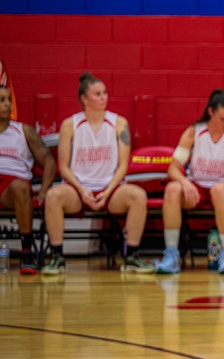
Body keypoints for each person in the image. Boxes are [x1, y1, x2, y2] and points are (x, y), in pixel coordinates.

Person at [43, 73, 154, 275]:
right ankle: (57, 257)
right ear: (84, 99)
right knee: (53, 196)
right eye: (97, 94)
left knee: (138, 196)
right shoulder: (70, 125)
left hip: (109, 188)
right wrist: (82, 189)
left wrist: (108, 190)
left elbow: (123, 166)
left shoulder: (119, 123)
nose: (104, 97)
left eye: (105, 93)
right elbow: (64, 167)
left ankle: (131, 256)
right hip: (78, 188)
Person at [156, 89, 224, 275]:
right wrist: (185, 182)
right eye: (222, 118)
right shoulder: (194, 132)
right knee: (172, 189)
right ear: (211, 112)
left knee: (218, 190)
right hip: (198, 186)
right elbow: (173, 168)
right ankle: (171, 255)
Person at [0, 84, 56, 275]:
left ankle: (26, 253)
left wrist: (43, 192)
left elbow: (49, 162)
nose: (9, 104)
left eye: (9, 99)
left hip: (13, 187)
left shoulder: (24, 131)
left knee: (20, 186)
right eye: (2, 100)